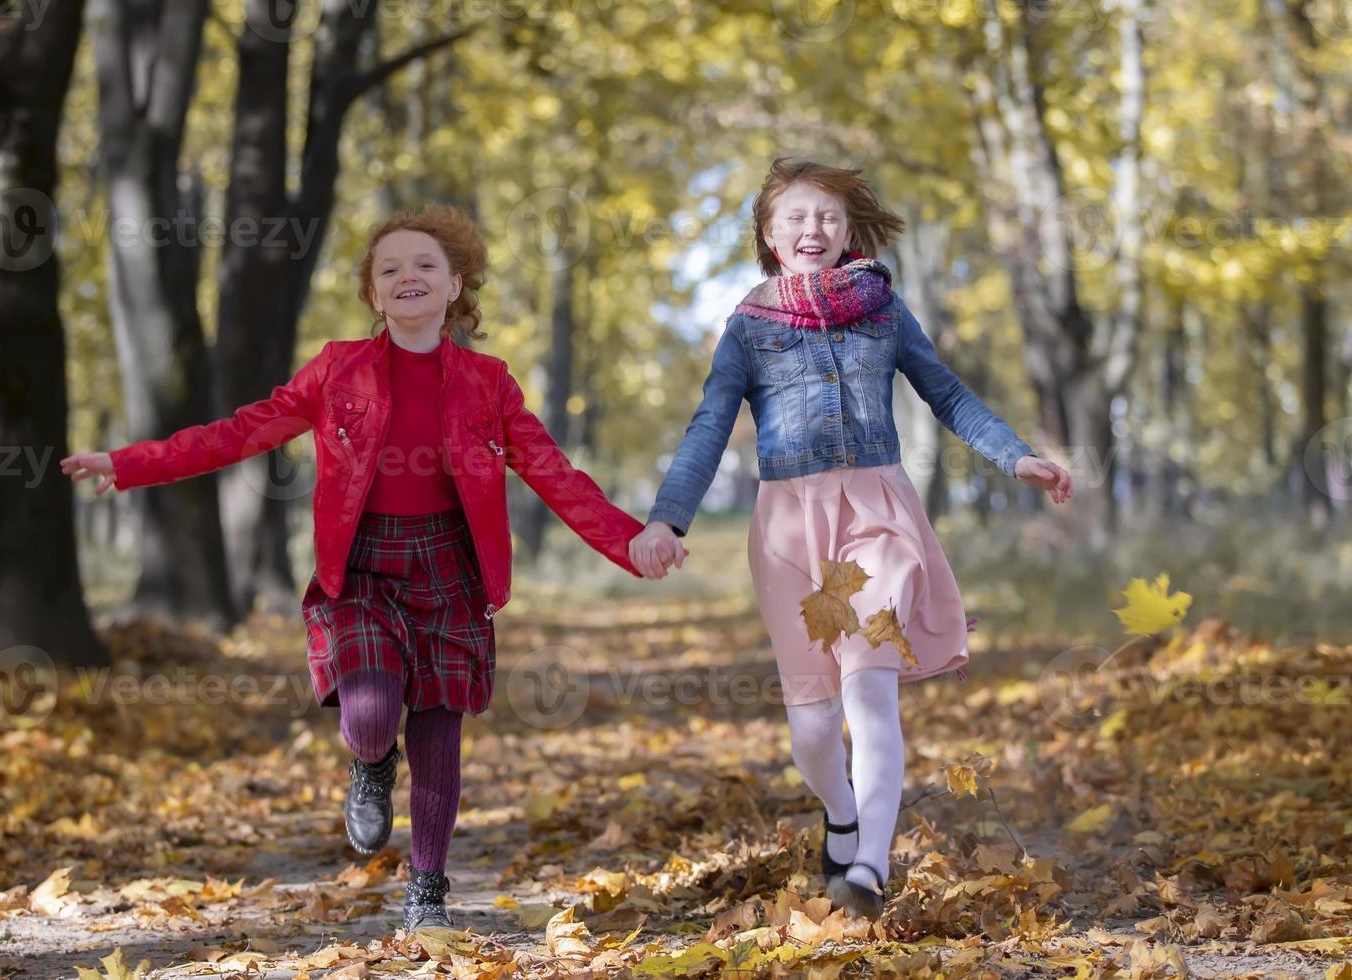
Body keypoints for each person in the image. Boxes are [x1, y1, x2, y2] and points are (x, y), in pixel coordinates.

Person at [62, 203, 682, 932]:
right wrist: (130, 464)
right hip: (361, 569)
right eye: (389, 268)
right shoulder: (337, 372)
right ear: (373, 293)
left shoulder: (491, 384)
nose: (407, 277)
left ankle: (427, 893)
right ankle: (369, 762)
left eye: (425, 265)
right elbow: (240, 433)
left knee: (440, 734)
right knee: (371, 711)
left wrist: (632, 541)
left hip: (451, 568)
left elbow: (555, 474)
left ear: (455, 286)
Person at [628, 158, 1071, 918]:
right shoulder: (747, 329)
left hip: (877, 514)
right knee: (813, 726)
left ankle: (868, 864)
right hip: (789, 530)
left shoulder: (884, 313)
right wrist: (668, 519)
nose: (813, 230)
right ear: (769, 237)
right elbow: (709, 425)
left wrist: (1016, 454)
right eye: (795, 218)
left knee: (870, 686)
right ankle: (840, 810)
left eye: (828, 218)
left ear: (847, 232)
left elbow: (948, 393)